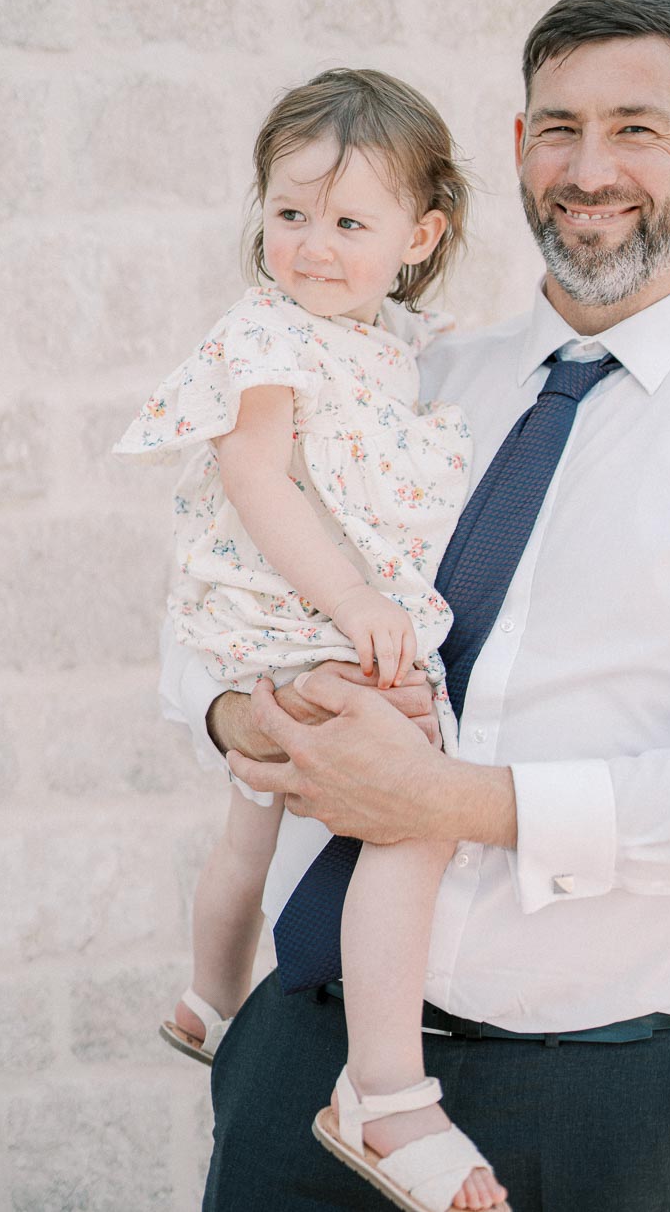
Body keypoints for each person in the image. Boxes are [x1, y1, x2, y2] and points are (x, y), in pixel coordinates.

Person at [163, 0, 670, 1212]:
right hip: (305, 1049)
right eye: (558, 127)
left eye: (637, 128)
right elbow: (224, 579)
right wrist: (233, 719)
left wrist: (456, 801)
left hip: (597, 1096)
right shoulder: (397, 373)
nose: (590, 167)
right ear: (517, 148)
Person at [119, 69, 513, 1210]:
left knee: (250, 822)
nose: (314, 246)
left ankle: (206, 997)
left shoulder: (396, 344)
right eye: (291, 215)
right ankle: (385, 1089)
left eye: (349, 222)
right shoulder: (266, 335)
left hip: (302, 619)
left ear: (419, 234)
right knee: (419, 806)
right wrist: (357, 607)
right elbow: (255, 477)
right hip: (295, 615)